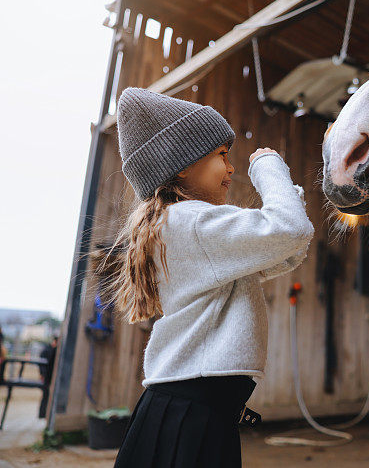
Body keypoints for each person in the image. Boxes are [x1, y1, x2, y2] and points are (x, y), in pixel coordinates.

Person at [102, 87, 314, 468]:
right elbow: (291, 231)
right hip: (189, 415)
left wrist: (289, 209)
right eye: (221, 155)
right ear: (181, 163)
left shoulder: (181, 225)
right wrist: (269, 167)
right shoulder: (190, 221)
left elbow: (284, 252)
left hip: (192, 411)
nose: (231, 168)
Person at [38, 335, 58, 418]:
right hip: (47, 376)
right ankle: (42, 414)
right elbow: (42, 363)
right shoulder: (47, 350)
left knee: (47, 395)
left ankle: (45, 414)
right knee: (45, 395)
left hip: (50, 376)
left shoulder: (54, 350)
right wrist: (42, 374)